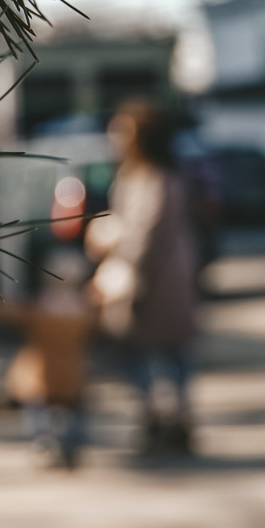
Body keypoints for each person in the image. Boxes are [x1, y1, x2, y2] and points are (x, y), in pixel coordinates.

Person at [86, 98, 201, 456]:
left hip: (158, 276)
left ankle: (170, 417)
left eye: (123, 132)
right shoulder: (131, 176)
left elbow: (146, 234)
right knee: (147, 348)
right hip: (151, 272)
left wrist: (123, 274)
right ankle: (161, 414)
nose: (116, 139)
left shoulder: (158, 178)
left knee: (161, 347)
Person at [0, 247, 93, 469]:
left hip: (39, 372)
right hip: (71, 372)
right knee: (74, 408)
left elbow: (10, 314)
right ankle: (71, 443)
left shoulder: (39, 305)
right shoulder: (84, 307)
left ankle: (43, 443)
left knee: (37, 407)